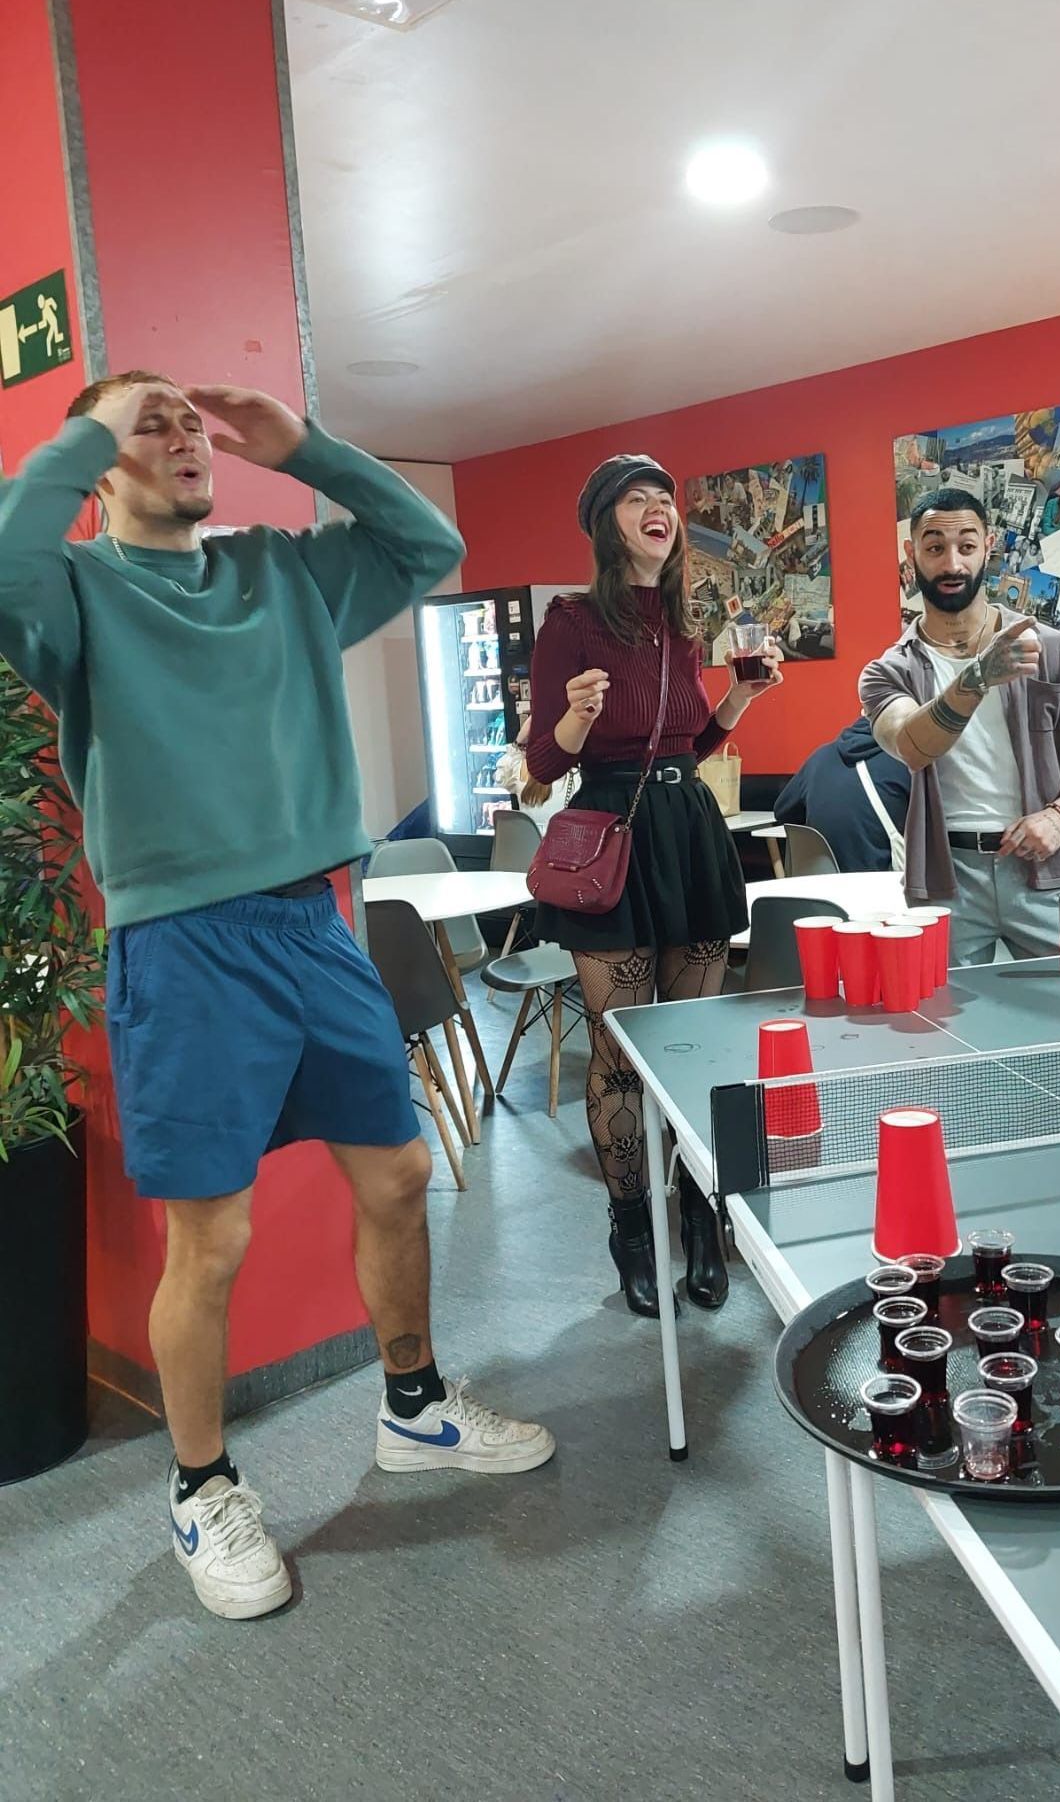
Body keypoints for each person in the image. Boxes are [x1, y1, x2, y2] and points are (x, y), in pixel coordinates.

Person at [0, 373, 554, 1620]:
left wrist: (301, 445)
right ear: (97, 466)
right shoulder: (75, 594)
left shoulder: (282, 572)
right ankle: (202, 1487)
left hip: (315, 922)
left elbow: (431, 542)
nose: (183, 438)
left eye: (189, 424)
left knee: (399, 1175)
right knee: (213, 1239)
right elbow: (3, 557)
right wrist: (97, 419)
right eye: (151, 427)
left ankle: (412, 1407)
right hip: (182, 946)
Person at [527, 453, 782, 1317]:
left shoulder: (682, 618)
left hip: (688, 831)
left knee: (692, 1047)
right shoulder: (570, 620)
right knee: (619, 1054)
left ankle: (701, 1224)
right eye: (635, 500)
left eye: (663, 500)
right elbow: (542, 760)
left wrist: (741, 698)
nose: (657, 511)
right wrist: (576, 715)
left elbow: (689, 745)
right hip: (613, 840)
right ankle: (631, 1231)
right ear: (606, 523)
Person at [859, 486, 1060, 964]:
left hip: (1047, 868)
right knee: (944, 1025)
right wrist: (979, 676)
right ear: (911, 553)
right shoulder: (888, 672)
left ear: (989, 546)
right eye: (935, 547)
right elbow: (912, 746)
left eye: (966, 546)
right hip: (945, 879)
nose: (952, 565)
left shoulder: (1050, 648)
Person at [774, 716, 910, 872]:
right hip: (881, 889)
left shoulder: (818, 758)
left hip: (820, 888)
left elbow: (782, 811)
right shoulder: (907, 762)